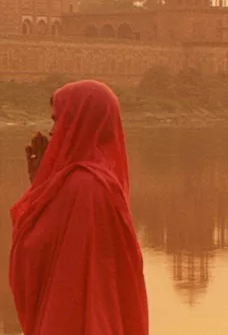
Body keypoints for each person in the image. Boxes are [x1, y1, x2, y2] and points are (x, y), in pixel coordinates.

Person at [11, 80, 149, 335]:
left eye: (58, 120)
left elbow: (36, 250)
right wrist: (41, 186)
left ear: (79, 123)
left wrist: (42, 190)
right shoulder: (98, 182)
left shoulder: (85, 187)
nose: (52, 131)